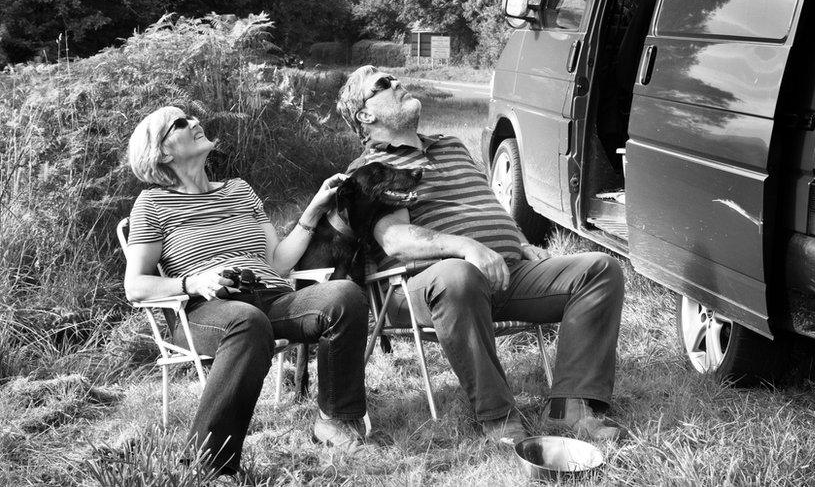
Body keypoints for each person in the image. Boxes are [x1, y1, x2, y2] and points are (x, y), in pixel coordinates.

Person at [336, 66, 626, 446]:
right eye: (383, 84)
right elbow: (396, 240)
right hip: (422, 289)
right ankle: (498, 417)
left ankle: (571, 407)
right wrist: (467, 247)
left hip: (506, 273)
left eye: (395, 78)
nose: (397, 83)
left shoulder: (452, 145)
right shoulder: (370, 170)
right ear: (365, 115)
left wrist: (519, 241)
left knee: (599, 269)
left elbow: (486, 206)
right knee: (457, 274)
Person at [123, 106, 368, 475]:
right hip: (204, 312)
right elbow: (135, 285)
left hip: (270, 297)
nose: (194, 122)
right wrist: (193, 283)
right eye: (179, 123)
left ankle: (335, 420)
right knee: (247, 321)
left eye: (191, 116)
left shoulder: (240, 191)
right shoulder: (153, 204)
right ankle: (207, 467)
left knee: (344, 296)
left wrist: (314, 210)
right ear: (162, 153)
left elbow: (278, 261)